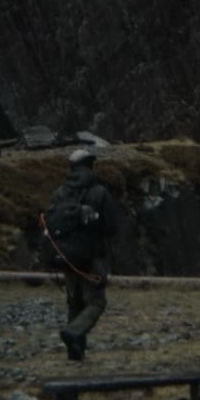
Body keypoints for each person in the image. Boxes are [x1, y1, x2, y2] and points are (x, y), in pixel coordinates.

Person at [42, 148, 118, 360]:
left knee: (74, 302)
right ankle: (74, 332)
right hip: (91, 256)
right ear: (90, 166)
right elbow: (111, 227)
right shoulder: (99, 192)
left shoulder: (59, 193)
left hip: (65, 257)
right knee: (96, 302)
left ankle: (75, 354)